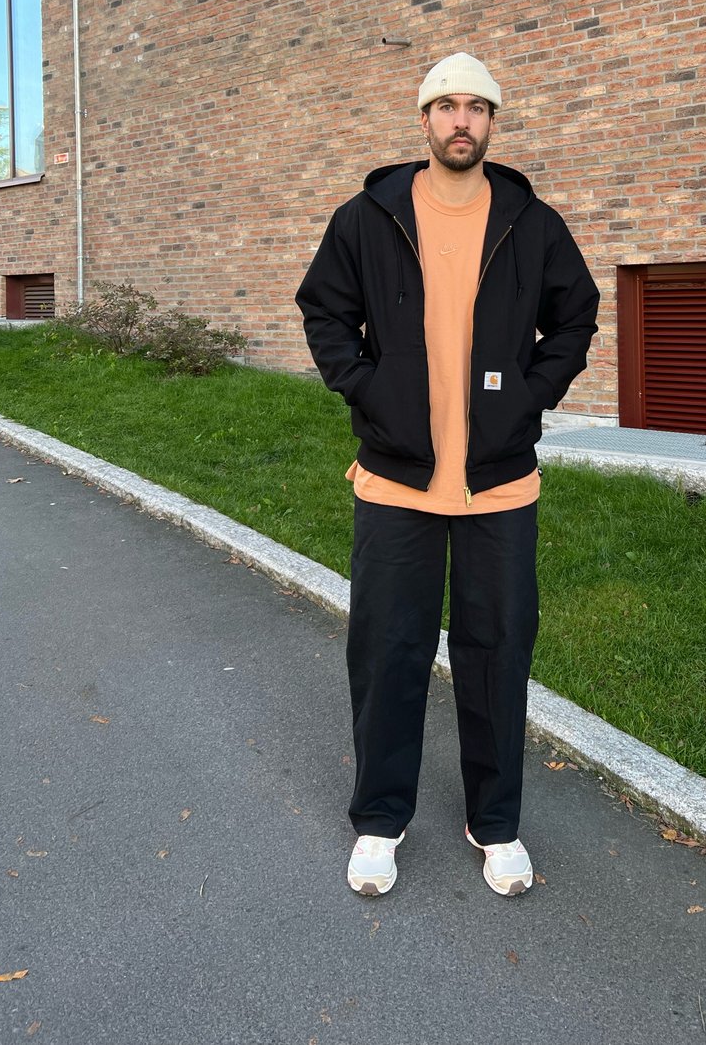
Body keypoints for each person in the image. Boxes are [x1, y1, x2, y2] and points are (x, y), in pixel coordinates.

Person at [296, 52, 599, 898]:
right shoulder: (369, 215)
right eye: (446, 106)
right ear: (423, 120)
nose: (461, 120)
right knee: (388, 651)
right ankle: (379, 821)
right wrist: (366, 386)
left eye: (477, 107)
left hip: (500, 482)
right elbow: (323, 307)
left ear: (493, 123)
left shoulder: (530, 221)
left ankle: (495, 822)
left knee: (497, 649)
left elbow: (576, 314)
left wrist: (533, 394)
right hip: (396, 480)